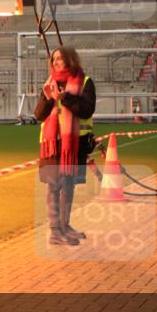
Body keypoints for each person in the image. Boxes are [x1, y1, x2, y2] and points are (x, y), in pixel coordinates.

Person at [34, 46, 96, 246]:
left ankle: (64, 226)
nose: (56, 62)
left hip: (74, 144)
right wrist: (47, 98)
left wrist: (65, 98)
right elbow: (38, 115)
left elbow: (86, 110)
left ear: (70, 60)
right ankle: (54, 231)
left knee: (68, 183)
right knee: (54, 185)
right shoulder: (49, 84)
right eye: (54, 59)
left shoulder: (85, 82)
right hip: (53, 145)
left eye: (60, 59)